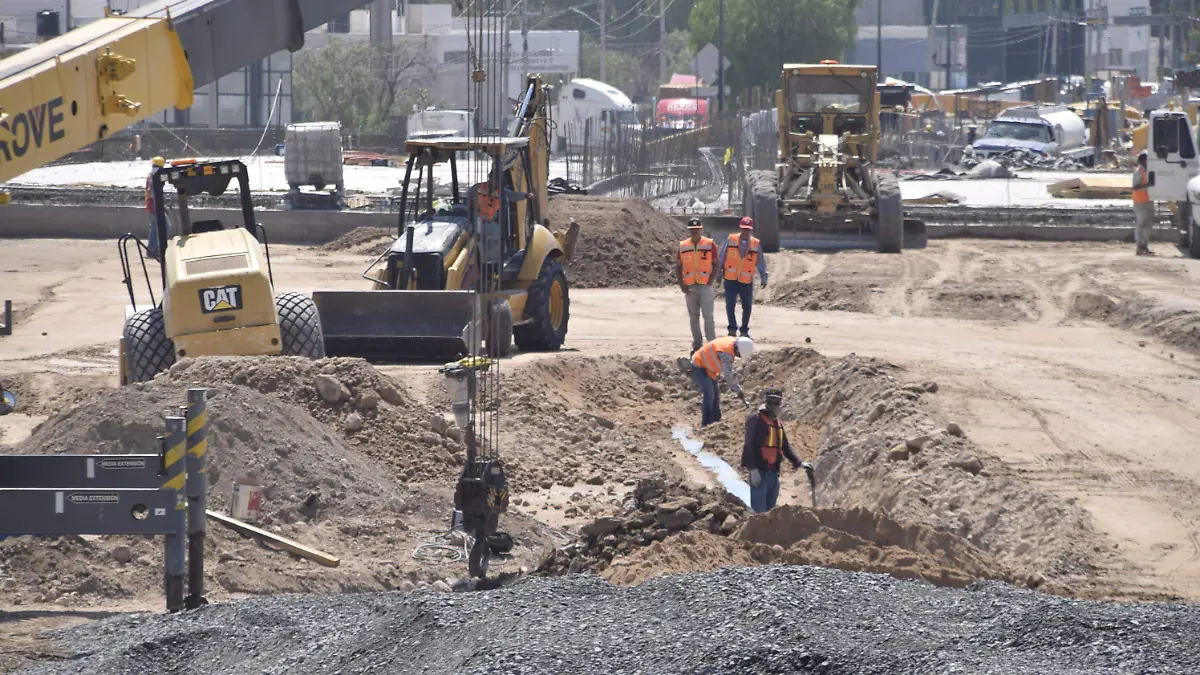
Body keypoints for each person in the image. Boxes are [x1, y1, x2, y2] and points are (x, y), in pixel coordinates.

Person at [740, 388, 812, 513]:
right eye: (771, 401)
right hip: (759, 472)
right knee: (759, 514)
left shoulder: (778, 424)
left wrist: (800, 463)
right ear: (766, 402)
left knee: (771, 513)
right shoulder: (756, 419)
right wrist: (752, 469)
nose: (773, 405)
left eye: (777, 402)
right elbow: (748, 445)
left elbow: (786, 446)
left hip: (773, 473)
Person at [717, 217, 768, 338]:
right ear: (740, 228)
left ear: (751, 230)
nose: (745, 231)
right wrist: (718, 274)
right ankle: (732, 329)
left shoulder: (755, 244)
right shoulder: (731, 240)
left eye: (748, 229)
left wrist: (764, 277)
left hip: (746, 280)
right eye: (744, 229)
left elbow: (760, 261)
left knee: (747, 306)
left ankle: (744, 329)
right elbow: (722, 257)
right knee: (730, 305)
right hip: (730, 279)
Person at [690, 335, 754, 427]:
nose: (738, 357)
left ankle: (716, 422)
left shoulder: (732, 341)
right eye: (739, 355)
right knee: (709, 395)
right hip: (699, 366)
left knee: (715, 395)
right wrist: (738, 390)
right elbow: (728, 375)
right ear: (738, 350)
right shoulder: (726, 353)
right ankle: (705, 425)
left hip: (708, 369)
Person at [675, 217, 718, 352]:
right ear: (689, 230)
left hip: (705, 286)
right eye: (692, 230)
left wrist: (711, 280)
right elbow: (678, 267)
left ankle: (711, 344)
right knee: (694, 317)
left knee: (708, 316)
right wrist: (681, 284)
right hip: (690, 288)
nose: (694, 232)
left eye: (697, 230)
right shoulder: (683, 246)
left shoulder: (709, 244)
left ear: (701, 229)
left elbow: (716, 264)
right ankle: (697, 344)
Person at [1132, 151, 1154, 256]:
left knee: (1148, 226)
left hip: (1148, 201)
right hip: (1140, 202)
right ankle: (1139, 247)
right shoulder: (1138, 172)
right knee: (1141, 225)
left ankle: (1144, 246)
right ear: (1143, 161)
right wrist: (1148, 185)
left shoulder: (1147, 171)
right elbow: (1135, 187)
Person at [145, 156, 167, 261]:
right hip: (154, 204)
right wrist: (160, 205)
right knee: (166, 226)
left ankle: (151, 250)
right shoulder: (155, 176)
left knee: (154, 227)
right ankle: (157, 249)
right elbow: (154, 193)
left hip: (150, 203)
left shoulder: (151, 175)